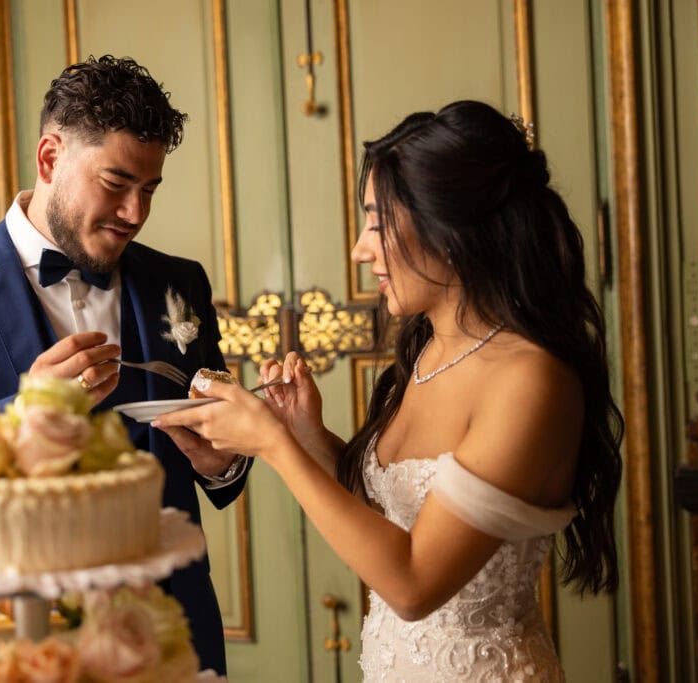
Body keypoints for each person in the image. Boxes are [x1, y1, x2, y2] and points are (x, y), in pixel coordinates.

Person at [155, 100, 624, 681]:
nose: (359, 248)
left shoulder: (531, 381)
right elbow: (396, 517)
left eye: (377, 222)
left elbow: (413, 583)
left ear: (449, 227)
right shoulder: (428, 348)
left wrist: (274, 447)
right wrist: (307, 437)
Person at [0, 55, 249, 675]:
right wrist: (20, 419)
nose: (136, 214)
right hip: (11, 640)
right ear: (49, 158)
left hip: (171, 633)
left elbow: (215, 460)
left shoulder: (180, 281)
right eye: (116, 184)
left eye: (149, 190)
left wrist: (225, 461)